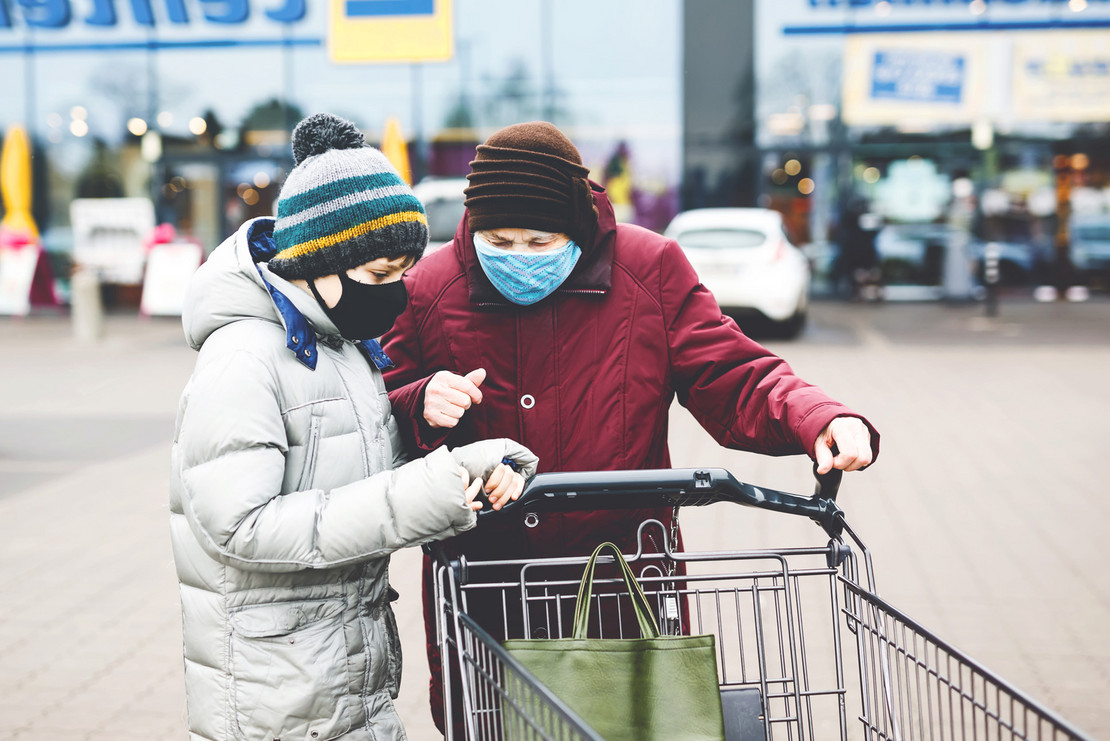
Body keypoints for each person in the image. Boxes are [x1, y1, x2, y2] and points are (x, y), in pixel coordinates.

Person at [381, 121, 880, 734]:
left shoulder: (651, 270)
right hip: (487, 584)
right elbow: (374, 412)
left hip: (625, 577)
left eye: (540, 241)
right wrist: (418, 401)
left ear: (576, 224)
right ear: (471, 227)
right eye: (499, 239)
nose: (519, 257)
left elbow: (733, 372)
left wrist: (819, 418)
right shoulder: (428, 290)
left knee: (635, 724)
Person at [168, 113, 538, 741]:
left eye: (402, 271)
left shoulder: (341, 345)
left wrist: (469, 463)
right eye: (378, 276)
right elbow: (239, 527)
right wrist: (427, 496)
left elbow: (361, 474)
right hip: (278, 690)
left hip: (342, 672)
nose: (397, 295)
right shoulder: (245, 358)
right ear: (318, 261)